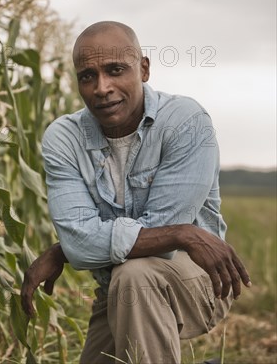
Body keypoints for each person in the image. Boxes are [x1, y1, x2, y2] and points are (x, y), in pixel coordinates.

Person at [20, 21, 251, 363]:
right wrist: (183, 233)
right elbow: (82, 239)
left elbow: (160, 240)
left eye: (115, 70)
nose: (102, 88)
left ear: (143, 69)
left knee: (136, 273)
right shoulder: (63, 138)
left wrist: (65, 251)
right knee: (127, 281)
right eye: (88, 76)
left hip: (200, 281)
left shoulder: (185, 122)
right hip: (116, 287)